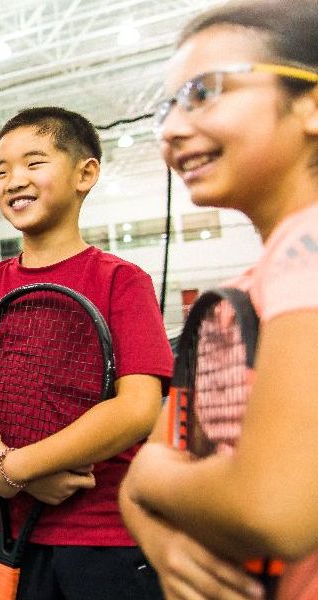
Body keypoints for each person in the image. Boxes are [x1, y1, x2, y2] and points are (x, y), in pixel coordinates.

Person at [120, 2, 318, 599]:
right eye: (168, 106)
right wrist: (167, 546)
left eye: (204, 92)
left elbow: (273, 507)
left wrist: (152, 473)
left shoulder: (305, 253)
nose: (172, 129)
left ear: (310, 103)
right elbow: (135, 491)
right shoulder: (267, 276)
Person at [0, 107, 175, 600]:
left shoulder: (122, 281)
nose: (13, 180)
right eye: (0, 170)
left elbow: (137, 407)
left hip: (105, 536)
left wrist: (16, 469)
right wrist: (10, 475)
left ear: (85, 173)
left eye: (33, 162)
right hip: (5, 532)